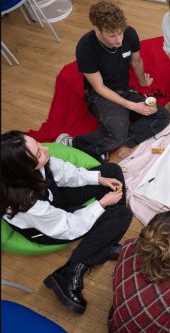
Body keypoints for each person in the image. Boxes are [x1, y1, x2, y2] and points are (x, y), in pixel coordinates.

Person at [0, 130, 133, 315]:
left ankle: (102, 240)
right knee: (122, 215)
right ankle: (69, 273)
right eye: (38, 153)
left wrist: (98, 178)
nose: (45, 149)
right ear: (23, 170)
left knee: (112, 171)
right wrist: (102, 204)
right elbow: (68, 227)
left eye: (38, 144)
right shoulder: (27, 204)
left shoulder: (38, 162)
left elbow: (65, 173)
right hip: (47, 229)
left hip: (53, 199)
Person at [56, 1, 170, 161]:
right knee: (117, 134)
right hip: (100, 95)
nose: (118, 40)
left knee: (163, 116)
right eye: (112, 35)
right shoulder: (85, 48)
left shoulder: (129, 33)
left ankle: (115, 140)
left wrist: (142, 81)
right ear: (97, 29)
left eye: (120, 33)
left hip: (124, 90)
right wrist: (132, 106)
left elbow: (136, 60)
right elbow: (99, 87)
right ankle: (72, 142)